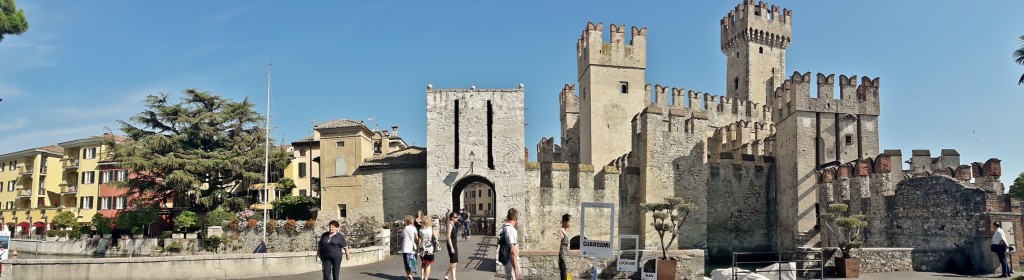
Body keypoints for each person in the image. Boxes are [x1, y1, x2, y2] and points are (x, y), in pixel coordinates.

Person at [500, 208, 521, 280]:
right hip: (512, 264)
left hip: (508, 264)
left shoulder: (505, 227)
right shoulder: (511, 230)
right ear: (516, 218)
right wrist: (516, 270)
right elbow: (513, 251)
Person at [402, 215, 419, 280]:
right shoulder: (414, 228)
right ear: (411, 221)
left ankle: (408, 275)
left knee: (406, 263)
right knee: (412, 262)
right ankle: (410, 275)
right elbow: (416, 238)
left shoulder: (404, 229)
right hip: (412, 248)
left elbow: (402, 238)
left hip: (405, 248)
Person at [443, 212, 460, 280]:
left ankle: (454, 278)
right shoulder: (450, 224)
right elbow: (448, 237)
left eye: (457, 217)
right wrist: (451, 247)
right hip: (451, 243)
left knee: (454, 262)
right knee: (454, 262)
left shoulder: (454, 224)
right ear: (452, 218)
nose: (457, 218)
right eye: (456, 217)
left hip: (454, 243)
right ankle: (446, 274)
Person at [557, 214, 571, 280]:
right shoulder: (561, 231)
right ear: (565, 221)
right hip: (562, 257)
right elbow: (558, 245)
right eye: (569, 222)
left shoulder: (565, 231)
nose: (570, 224)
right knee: (564, 276)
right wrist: (560, 258)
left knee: (566, 275)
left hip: (565, 257)